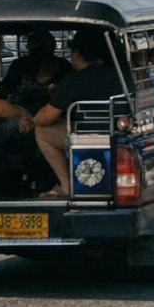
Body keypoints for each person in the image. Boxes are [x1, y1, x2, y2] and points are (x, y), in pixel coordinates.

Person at [32, 29, 125, 197]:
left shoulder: (74, 79)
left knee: (41, 131)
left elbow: (46, 117)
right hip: (120, 132)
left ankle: (66, 185)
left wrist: (31, 118)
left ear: (77, 54)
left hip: (87, 134)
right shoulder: (123, 73)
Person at [0, 30, 72, 115]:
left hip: (52, 113)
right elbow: (4, 90)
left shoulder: (63, 66)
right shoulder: (19, 65)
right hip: (22, 113)